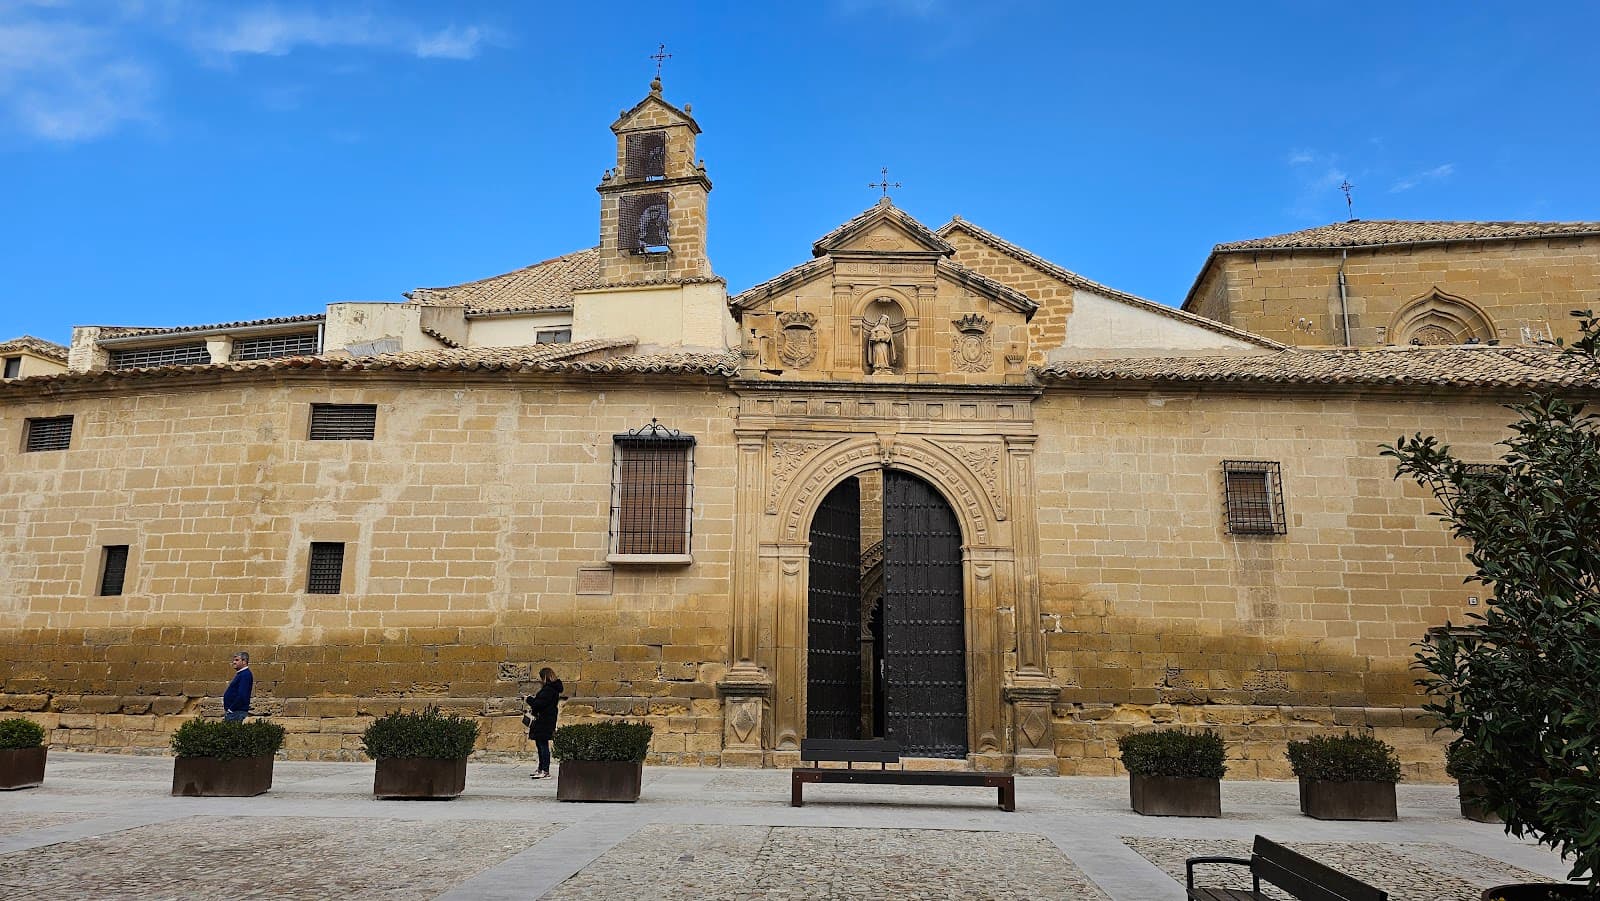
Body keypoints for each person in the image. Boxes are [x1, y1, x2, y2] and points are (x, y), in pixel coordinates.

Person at [525, 667, 563, 779]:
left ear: (545, 677)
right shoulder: (552, 689)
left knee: (543, 745)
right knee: (540, 745)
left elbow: (539, 704)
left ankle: (545, 771)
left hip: (544, 721)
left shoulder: (549, 689)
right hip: (545, 720)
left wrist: (529, 699)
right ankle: (541, 768)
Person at [222, 652, 252, 722]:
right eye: (234, 660)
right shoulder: (241, 674)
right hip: (235, 712)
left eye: (237, 660)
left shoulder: (245, 675)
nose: (234, 662)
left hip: (237, 712)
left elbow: (242, 695)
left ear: (244, 661)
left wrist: (231, 709)